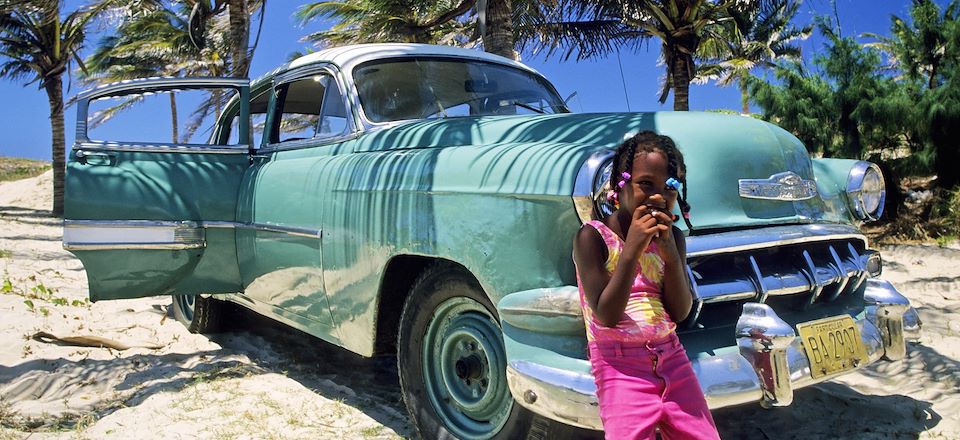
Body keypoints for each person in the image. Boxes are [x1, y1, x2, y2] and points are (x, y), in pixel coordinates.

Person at [573, 131, 719, 439]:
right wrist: (632, 250)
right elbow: (606, 315)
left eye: (669, 187)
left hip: (672, 358)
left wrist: (671, 257)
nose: (658, 196)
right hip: (619, 366)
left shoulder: (673, 238)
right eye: (645, 184)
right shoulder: (593, 237)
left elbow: (680, 312)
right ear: (618, 186)